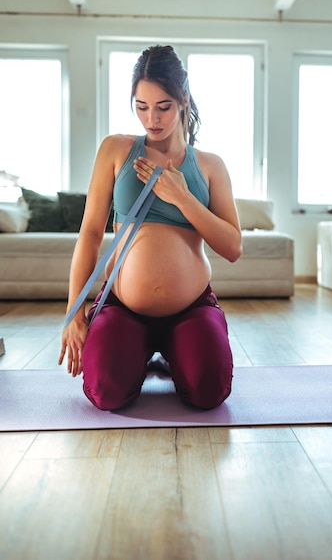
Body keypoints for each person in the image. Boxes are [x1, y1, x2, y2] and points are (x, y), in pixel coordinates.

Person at [59, 44, 242, 411]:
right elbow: (91, 232)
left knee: (209, 391)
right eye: (141, 107)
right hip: (123, 305)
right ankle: (140, 355)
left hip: (190, 306)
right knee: (106, 393)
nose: (151, 119)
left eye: (163, 107)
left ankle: (174, 355)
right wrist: (74, 311)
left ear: (183, 99)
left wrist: (183, 198)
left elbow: (233, 247)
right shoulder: (115, 149)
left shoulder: (210, 165)